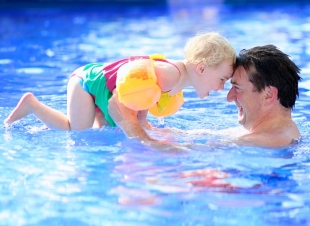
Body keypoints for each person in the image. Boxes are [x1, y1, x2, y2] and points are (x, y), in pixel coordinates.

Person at [3, 32, 236, 131]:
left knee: (104, 130)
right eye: (223, 79)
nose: (222, 87)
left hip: (102, 85)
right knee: (75, 130)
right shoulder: (169, 75)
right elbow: (131, 102)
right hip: (89, 84)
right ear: (202, 68)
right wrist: (145, 134)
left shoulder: (177, 80)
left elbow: (139, 101)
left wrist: (146, 127)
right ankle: (33, 105)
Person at [108, 45, 302, 147]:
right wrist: (144, 126)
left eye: (237, 88)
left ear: (268, 95)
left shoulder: (260, 142)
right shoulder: (267, 134)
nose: (229, 97)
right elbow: (195, 139)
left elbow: (173, 156)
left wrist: (128, 125)